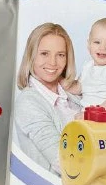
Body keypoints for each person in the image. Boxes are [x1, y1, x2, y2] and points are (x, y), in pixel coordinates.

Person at [14, 23, 81, 175]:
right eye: (44, 53)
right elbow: (63, 162)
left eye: (60, 55)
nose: (52, 62)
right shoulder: (28, 103)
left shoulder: (74, 95)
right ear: (31, 56)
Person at [64, 18, 106, 108]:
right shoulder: (88, 66)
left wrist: (93, 113)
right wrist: (62, 82)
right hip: (86, 113)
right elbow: (78, 88)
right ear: (89, 45)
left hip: (104, 115)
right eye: (97, 42)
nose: (102, 48)